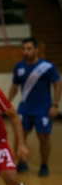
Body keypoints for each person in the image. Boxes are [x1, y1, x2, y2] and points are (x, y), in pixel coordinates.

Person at [9, 37, 61, 176]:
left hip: (43, 109)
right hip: (25, 108)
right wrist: (6, 102)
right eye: (23, 49)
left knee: (43, 137)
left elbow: (57, 84)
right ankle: (22, 162)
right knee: (20, 136)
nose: (26, 52)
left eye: (29, 49)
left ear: (36, 50)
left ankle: (44, 165)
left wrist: (55, 105)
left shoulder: (47, 67)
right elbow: (14, 87)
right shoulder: (19, 67)